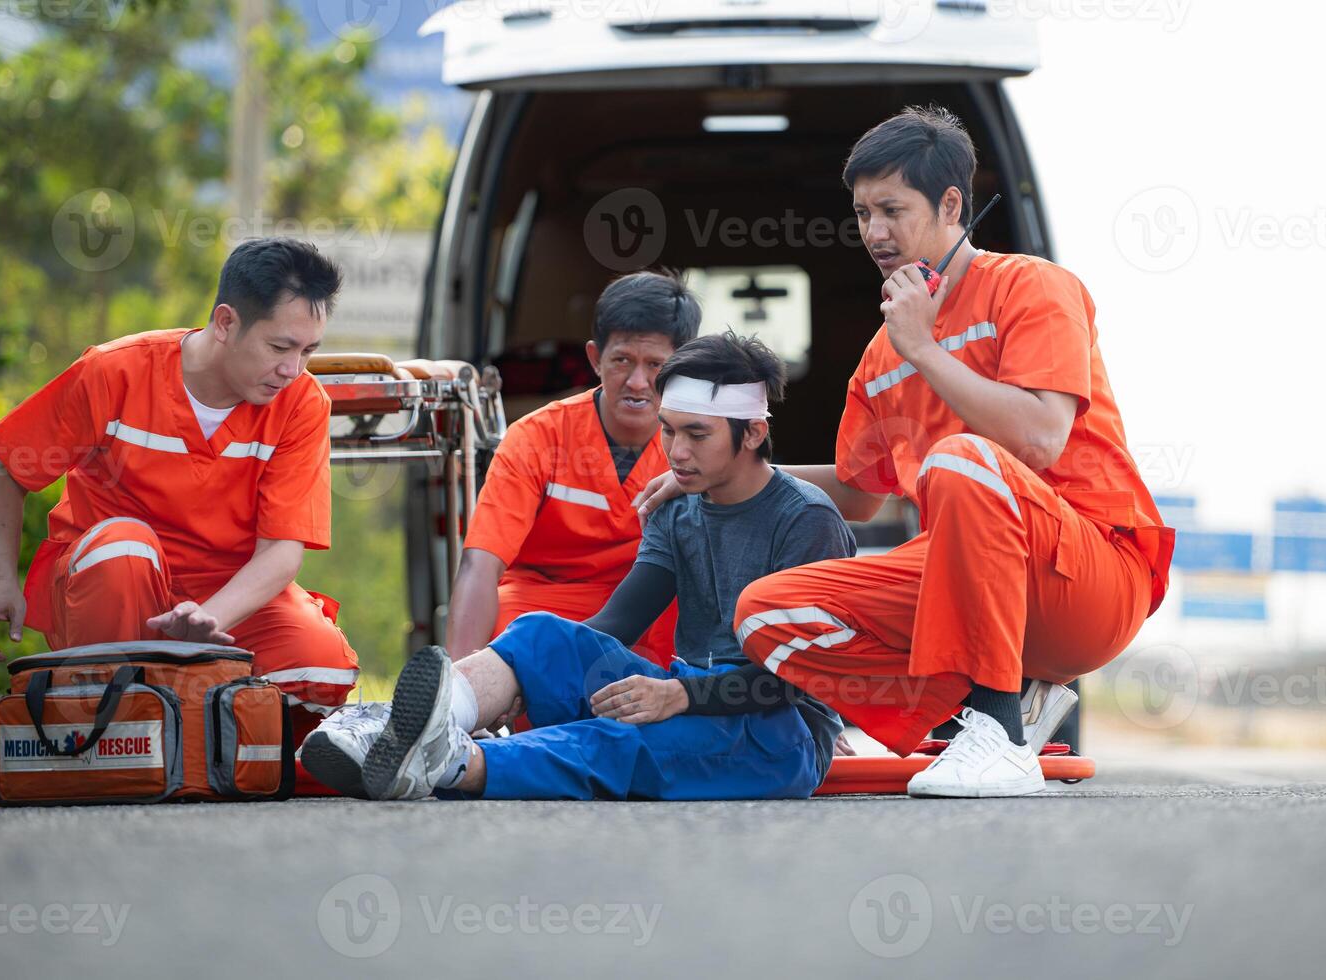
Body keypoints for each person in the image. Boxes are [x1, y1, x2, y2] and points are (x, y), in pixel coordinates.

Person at [640, 106, 1176, 797]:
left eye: (892, 209)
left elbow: (1043, 437)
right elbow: (862, 493)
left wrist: (924, 348)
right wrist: (720, 472)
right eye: (862, 213)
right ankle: (979, 702)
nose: (875, 232)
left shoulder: (1033, 287)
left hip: (1091, 575)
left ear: (951, 204)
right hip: (974, 586)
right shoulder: (878, 356)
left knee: (958, 460)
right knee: (764, 613)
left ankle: (998, 728)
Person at [301, 332, 857, 801]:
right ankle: (405, 724)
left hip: (781, 735)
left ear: (754, 433)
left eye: (697, 434)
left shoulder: (807, 522)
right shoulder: (678, 503)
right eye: (668, 429)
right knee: (540, 634)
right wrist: (527, 669)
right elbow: (615, 627)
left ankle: (452, 765)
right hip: (689, 693)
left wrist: (682, 697)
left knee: (616, 740)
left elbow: (793, 684)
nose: (675, 451)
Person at [0, 238, 359, 738]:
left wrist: (201, 623)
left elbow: (281, 554)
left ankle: (189, 750)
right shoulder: (114, 372)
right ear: (225, 323)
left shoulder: (302, 403)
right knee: (125, 548)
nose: (292, 369)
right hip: (115, 585)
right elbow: (5, 474)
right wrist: (2, 581)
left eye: (308, 350)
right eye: (280, 347)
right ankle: (114, 735)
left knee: (321, 664)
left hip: (221, 600)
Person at [444, 270, 699, 669]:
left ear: (683, 365)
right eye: (622, 360)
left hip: (652, 602)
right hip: (545, 598)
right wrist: (459, 686)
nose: (637, 381)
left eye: (655, 365)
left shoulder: (705, 440)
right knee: (510, 630)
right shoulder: (535, 437)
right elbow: (481, 564)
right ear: (595, 359)